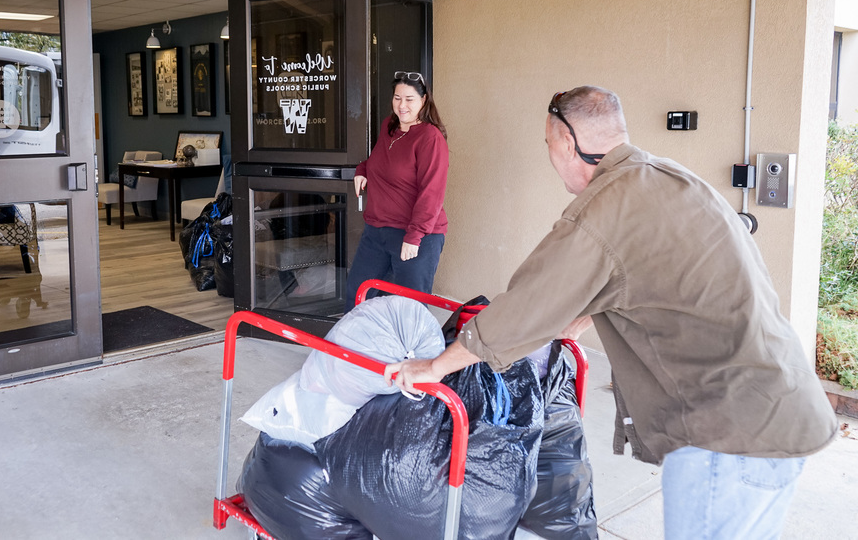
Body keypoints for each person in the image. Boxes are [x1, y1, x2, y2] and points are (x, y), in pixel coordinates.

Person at [385, 86, 837, 539]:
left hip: (728, 437)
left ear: (566, 141)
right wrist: (579, 316)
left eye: (548, 144)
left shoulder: (604, 208)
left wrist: (437, 366)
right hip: (773, 408)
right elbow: (644, 277)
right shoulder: (665, 177)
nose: (549, 154)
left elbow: (527, 306)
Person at [344, 71, 449, 310]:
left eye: (409, 99)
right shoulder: (389, 128)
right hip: (377, 231)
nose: (402, 105)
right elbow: (379, 161)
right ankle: (354, 347)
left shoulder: (430, 138)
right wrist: (362, 169)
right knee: (358, 294)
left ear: (423, 101)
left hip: (415, 236)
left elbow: (431, 192)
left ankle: (406, 349)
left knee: (408, 307)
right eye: (397, 98)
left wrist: (414, 236)